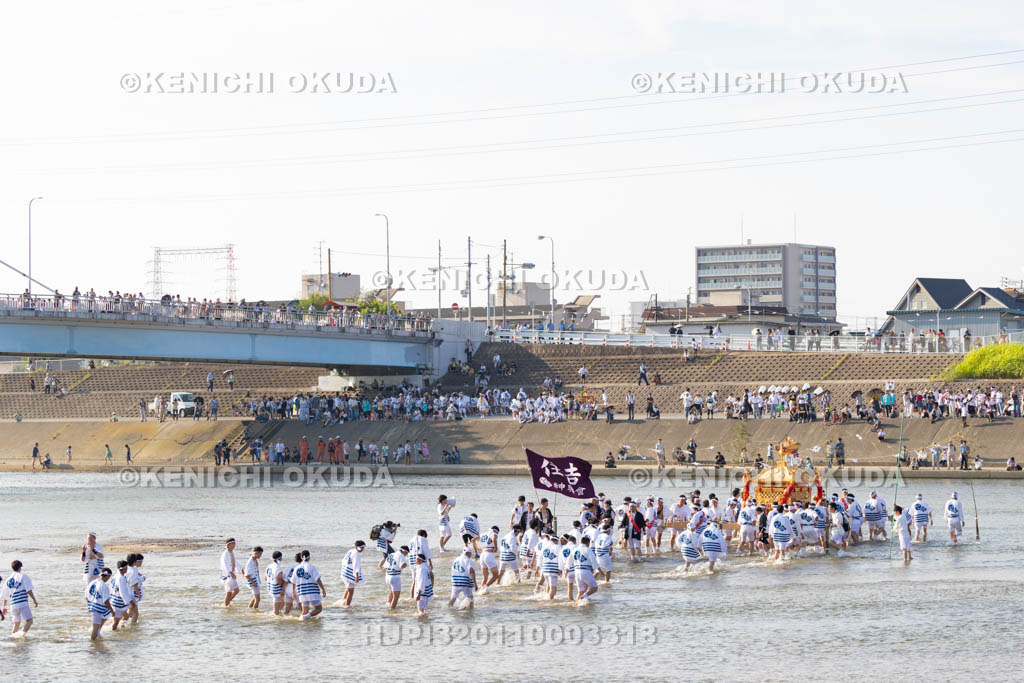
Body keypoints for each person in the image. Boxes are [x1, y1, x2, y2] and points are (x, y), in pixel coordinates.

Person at [2, 560, 38, 635]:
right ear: (20, 567)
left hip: (13, 604)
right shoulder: (23, 576)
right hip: (22, 603)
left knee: (16, 624)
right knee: (29, 621)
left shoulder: (7, 580)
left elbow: (5, 595)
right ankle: (20, 636)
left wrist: (4, 607)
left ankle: (13, 638)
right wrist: (34, 600)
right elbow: (28, 590)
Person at [294, 550, 326, 620]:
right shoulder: (311, 567)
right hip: (312, 591)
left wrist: (294, 592)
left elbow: (293, 581)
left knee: (304, 611)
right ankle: (306, 617)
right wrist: (323, 589)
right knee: (319, 609)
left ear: (301, 557)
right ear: (309, 557)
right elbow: (318, 579)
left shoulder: (296, 568)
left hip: (302, 592)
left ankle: (303, 626)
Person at [85, 568, 114, 640]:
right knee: (95, 627)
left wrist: (90, 604)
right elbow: (106, 601)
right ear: (107, 576)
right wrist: (112, 610)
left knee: (98, 625)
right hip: (98, 608)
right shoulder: (104, 586)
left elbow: (86, 596)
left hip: (92, 606)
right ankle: (93, 644)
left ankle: (97, 637)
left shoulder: (92, 582)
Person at [572, 536, 599, 603]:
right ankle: (583, 597)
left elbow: (570, 559)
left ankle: (577, 604)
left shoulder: (575, 549)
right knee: (594, 588)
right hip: (585, 571)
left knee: (581, 591)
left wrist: (567, 568)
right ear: (587, 543)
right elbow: (593, 560)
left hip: (577, 572)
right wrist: (598, 569)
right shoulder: (587, 549)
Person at [110, 560, 134, 630]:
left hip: (114, 600)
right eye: (127, 568)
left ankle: (121, 628)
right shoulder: (121, 578)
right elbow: (123, 592)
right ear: (124, 569)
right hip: (118, 603)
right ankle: (113, 632)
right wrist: (130, 601)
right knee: (116, 621)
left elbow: (111, 588)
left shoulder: (115, 576)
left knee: (126, 616)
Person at [340, 541, 366, 607]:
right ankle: (347, 606)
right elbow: (356, 566)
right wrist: (356, 576)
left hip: (344, 573)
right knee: (351, 592)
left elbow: (343, 561)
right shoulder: (356, 554)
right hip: (349, 575)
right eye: (362, 547)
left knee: (347, 589)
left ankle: (343, 601)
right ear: (359, 547)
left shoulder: (351, 551)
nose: (363, 549)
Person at [220, 538, 240, 607]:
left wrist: (241, 570)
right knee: (228, 593)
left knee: (236, 590)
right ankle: (225, 606)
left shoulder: (232, 552)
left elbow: (235, 562)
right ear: (228, 545)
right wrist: (230, 572)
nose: (234, 545)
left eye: (235, 543)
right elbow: (225, 564)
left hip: (232, 575)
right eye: (233, 544)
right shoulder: (225, 554)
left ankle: (227, 602)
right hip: (227, 576)